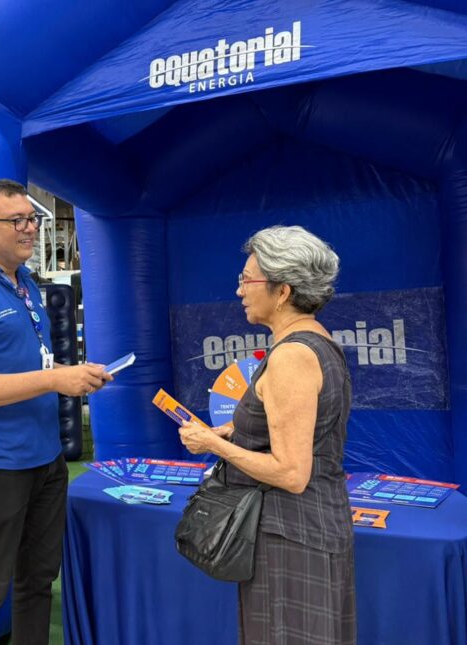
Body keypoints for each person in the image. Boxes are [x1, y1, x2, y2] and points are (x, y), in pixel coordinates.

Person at [0, 178, 112, 645]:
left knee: (36, 581)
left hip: (46, 459)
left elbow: (34, 364)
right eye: (16, 220)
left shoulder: (27, 283)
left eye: (31, 219)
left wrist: (74, 373)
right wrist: (55, 380)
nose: (29, 229)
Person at [179, 225, 355, 645]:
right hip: (310, 528)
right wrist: (234, 430)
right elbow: (300, 429)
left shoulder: (291, 356)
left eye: (247, 279)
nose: (239, 290)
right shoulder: (314, 342)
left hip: (292, 536)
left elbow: (291, 472)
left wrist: (213, 444)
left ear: (283, 291)